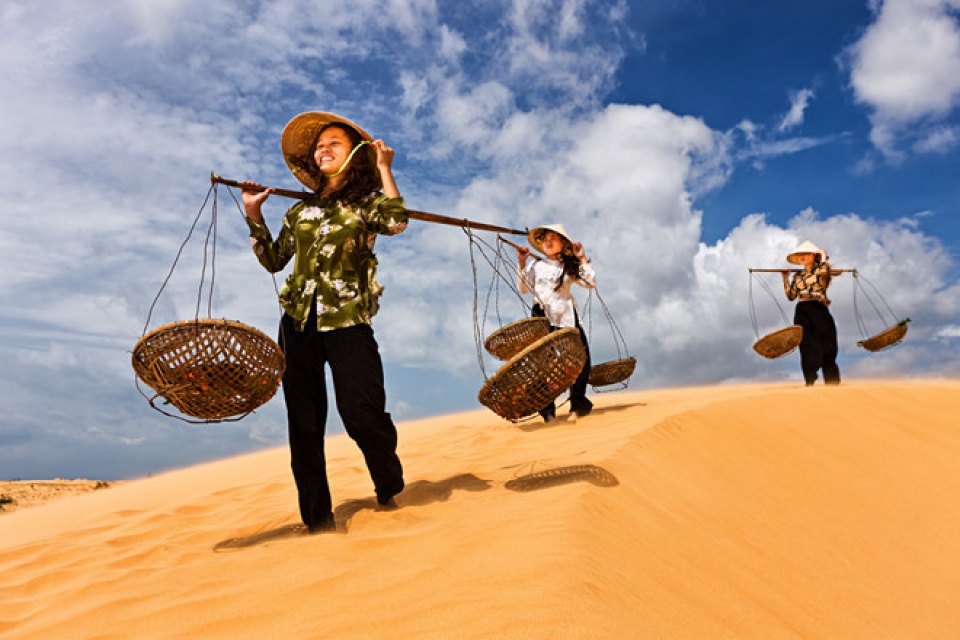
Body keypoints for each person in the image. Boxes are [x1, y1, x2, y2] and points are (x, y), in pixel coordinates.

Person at [241, 111, 409, 533]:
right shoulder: (299, 211)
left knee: (362, 414)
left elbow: (396, 221)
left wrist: (386, 169)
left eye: (334, 142)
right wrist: (254, 215)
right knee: (304, 423)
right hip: (297, 324)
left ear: (354, 153)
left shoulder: (365, 204)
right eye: (319, 145)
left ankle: (388, 479)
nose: (324, 149)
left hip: (348, 319)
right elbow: (274, 260)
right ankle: (317, 520)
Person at [516, 224, 596, 422]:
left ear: (563, 243)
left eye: (554, 238)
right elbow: (524, 289)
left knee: (581, 361)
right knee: (541, 366)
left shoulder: (570, 266)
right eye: (545, 239)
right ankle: (548, 413)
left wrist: (582, 258)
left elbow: (590, 283)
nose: (548, 242)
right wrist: (522, 263)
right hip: (542, 317)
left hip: (567, 315)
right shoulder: (536, 265)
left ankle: (577, 407)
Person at [781, 240, 841, 386]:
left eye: (805, 253)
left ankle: (832, 384)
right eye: (799, 254)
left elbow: (824, 270)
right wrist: (785, 279)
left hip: (819, 308)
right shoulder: (797, 277)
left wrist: (822, 255)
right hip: (802, 310)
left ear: (813, 255)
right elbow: (791, 296)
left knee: (828, 347)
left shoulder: (822, 270)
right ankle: (810, 381)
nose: (801, 256)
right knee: (807, 346)